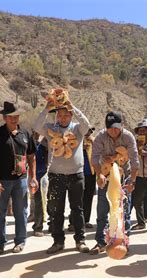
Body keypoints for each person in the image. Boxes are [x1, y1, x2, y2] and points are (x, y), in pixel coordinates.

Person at [34, 94, 91, 254]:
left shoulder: (77, 129)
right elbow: (37, 126)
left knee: (77, 209)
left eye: (67, 114)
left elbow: (86, 124)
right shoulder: (51, 129)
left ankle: (80, 240)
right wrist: (47, 109)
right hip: (56, 175)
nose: (64, 117)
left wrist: (73, 107)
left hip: (76, 174)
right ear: (57, 115)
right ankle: (58, 241)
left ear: (71, 115)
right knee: (56, 210)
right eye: (61, 114)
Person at [0, 101, 37, 254]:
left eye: (16, 116)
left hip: (21, 180)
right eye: (10, 117)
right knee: (0, 212)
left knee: (21, 211)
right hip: (2, 180)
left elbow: (31, 157)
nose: (14, 119)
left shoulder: (25, 133)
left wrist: (33, 177)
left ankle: (20, 241)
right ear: (4, 118)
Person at [90, 111, 139, 254]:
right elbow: (94, 158)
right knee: (102, 211)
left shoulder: (128, 137)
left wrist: (133, 181)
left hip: (124, 177)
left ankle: (124, 242)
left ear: (122, 125)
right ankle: (101, 242)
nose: (114, 130)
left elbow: (135, 161)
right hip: (106, 175)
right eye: (110, 128)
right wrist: (99, 175)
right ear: (106, 127)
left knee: (124, 211)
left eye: (117, 127)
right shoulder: (100, 136)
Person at [31, 131, 48, 237]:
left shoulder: (56, 147)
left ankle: (53, 226)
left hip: (51, 177)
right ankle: (38, 226)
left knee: (52, 203)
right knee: (39, 203)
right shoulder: (36, 147)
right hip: (38, 177)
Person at [82, 126, 96, 228]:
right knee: (77, 198)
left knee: (88, 197)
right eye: (87, 130)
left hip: (91, 173)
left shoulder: (94, 141)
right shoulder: (76, 140)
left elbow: (101, 151)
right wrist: (80, 148)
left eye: (90, 131)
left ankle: (86, 220)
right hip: (78, 173)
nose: (89, 133)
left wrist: (93, 142)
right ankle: (74, 222)